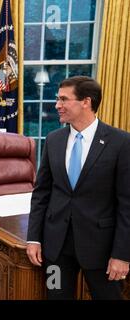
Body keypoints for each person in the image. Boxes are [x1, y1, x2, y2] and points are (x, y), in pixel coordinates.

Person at [26, 76, 130, 300]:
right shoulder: (54, 139)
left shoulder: (121, 142)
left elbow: (127, 204)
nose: (57, 105)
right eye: (57, 99)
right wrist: (33, 238)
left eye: (64, 99)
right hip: (56, 249)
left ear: (86, 102)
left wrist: (122, 254)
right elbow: (41, 194)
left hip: (101, 250)